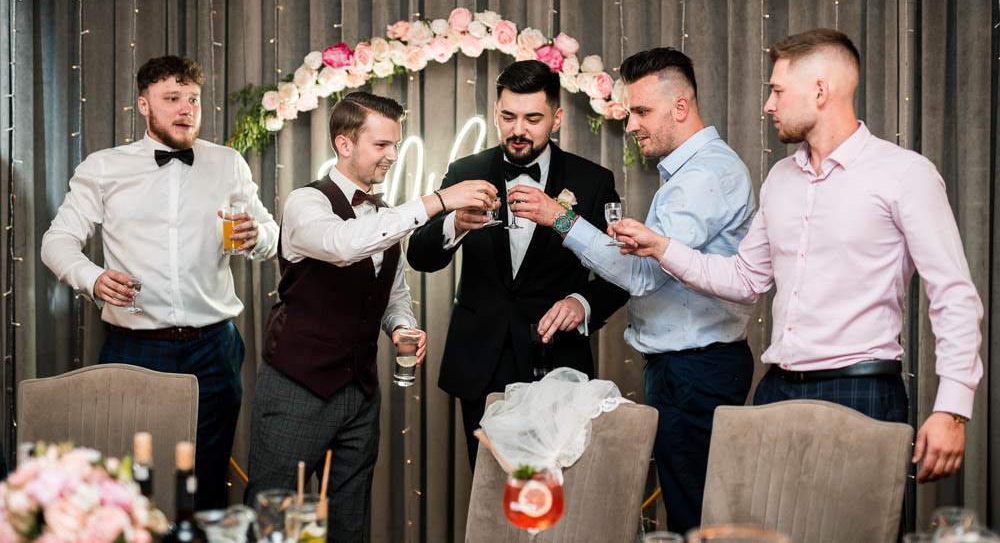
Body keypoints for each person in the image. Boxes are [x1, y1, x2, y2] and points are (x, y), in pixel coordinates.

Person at [613, 29, 984, 484]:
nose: (768, 105)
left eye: (778, 91)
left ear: (820, 92)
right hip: (777, 390)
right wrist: (662, 247)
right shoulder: (780, 179)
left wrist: (952, 408)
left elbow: (953, 293)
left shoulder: (904, 174)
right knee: (760, 521)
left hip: (860, 390)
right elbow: (745, 279)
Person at [511, 48, 756, 533]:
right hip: (690, 367)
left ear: (680, 107)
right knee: (689, 505)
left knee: (692, 516)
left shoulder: (702, 177)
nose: (631, 126)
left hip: (694, 370)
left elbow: (644, 276)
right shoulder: (693, 172)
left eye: (642, 111)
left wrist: (559, 218)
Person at [245, 92, 496, 541]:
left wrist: (401, 325)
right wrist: (438, 200)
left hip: (361, 393)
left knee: (349, 522)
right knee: (274, 520)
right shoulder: (305, 202)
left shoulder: (383, 213)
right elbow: (344, 245)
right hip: (296, 388)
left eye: (395, 144)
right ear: (344, 144)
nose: (392, 156)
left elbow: (394, 292)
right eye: (381, 145)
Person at [41, 55, 277, 509]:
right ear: (144, 105)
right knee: (134, 485)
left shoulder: (228, 163)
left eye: (193, 99)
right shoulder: (104, 167)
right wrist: (93, 278)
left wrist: (258, 237)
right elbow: (57, 242)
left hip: (214, 349)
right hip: (134, 347)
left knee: (206, 483)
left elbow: (272, 234)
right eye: (172, 98)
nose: (186, 108)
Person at [407, 60, 630, 469]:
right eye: (508, 116)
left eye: (533, 119)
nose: (518, 130)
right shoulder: (465, 171)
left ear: (556, 119)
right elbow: (418, 255)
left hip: (558, 363)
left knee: (553, 491)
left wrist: (582, 302)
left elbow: (622, 272)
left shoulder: (592, 180)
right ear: (495, 112)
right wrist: (455, 224)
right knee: (488, 488)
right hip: (480, 363)